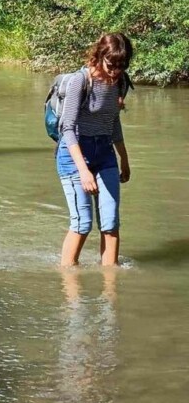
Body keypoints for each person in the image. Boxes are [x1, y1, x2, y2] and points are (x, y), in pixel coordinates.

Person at [56, 32, 133, 268]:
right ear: (100, 56)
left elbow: (113, 122)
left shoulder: (119, 82)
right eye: (112, 64)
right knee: (82, 224)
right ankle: (69, 286)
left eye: (122, 65)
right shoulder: (81, 81)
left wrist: (124, 159)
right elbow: (66, 128)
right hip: (75, 154)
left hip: (105, 152)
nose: (116, 70)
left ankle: (111, 287)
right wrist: (83, 171)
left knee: (111, 223)